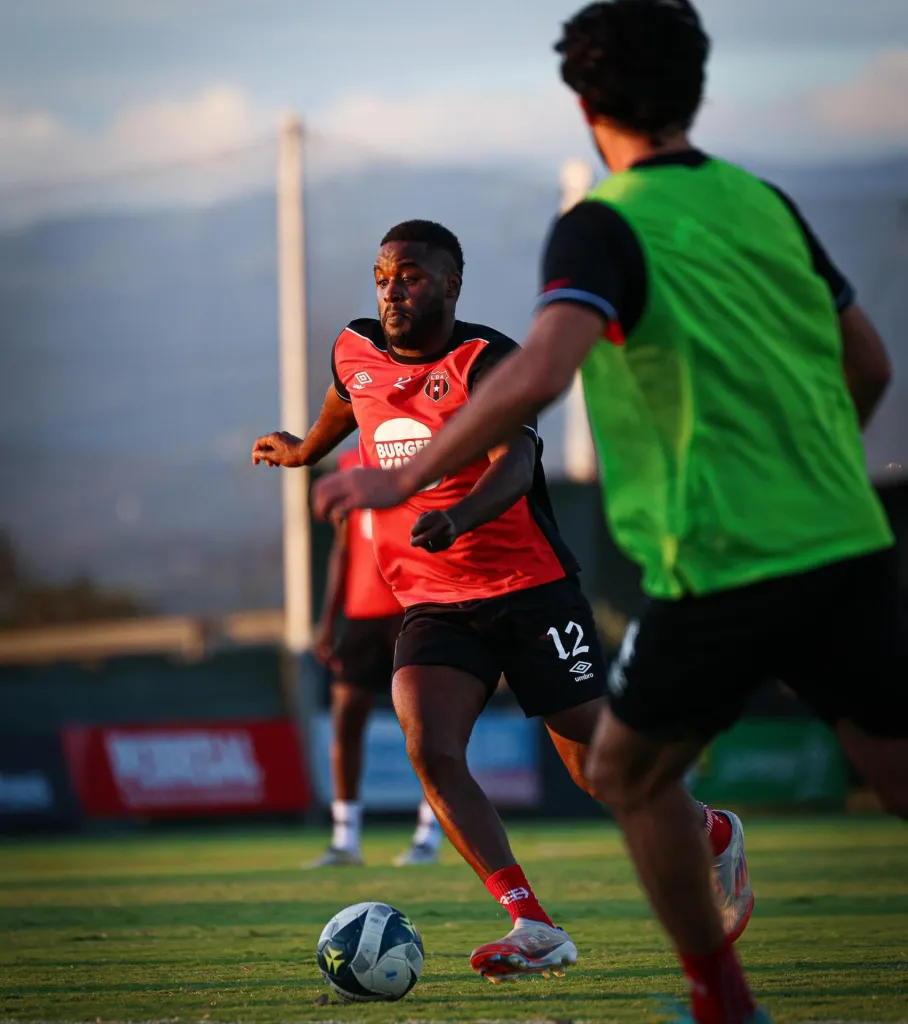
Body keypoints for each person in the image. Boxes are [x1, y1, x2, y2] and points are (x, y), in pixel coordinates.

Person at [311, 4, 908, 1022]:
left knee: (626, 771)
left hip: (712, 552)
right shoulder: (763, 200)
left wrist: (398, 480)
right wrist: (815, 471)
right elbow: (871, 365)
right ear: (694, 91)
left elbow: (540, 373)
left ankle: (720, 999)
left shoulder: (603, 222)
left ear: (586, 106)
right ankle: (567, 927)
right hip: (840, 537)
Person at [255, 218, 752, 983]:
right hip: (432, 601)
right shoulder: (354, 348)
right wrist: (304, 450)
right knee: (430, 745)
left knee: (604, 771)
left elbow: (515, 464)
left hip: (530, 591)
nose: (392, 292)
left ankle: (711, 831)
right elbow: (347, 400)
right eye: (383, 277)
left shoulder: (487, 361)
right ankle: (532, 922)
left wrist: (459, 516)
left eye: (411, 277)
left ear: (451, 284)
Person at [307, 448, 443, 868]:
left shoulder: (416, 448)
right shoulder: (350, 463)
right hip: (362, 613)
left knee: (429, 728)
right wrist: (327, 620)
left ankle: (429, 835)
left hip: (416, 606)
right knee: (346, 719)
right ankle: (345, 840)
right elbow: (343, 548)